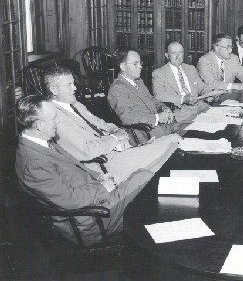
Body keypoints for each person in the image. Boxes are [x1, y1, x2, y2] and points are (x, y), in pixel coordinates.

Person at [15, 95, 159, 246]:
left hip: (94, 199)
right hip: (91, 219)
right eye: (53, 118)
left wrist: (100, 177)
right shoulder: (32, 163)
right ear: (39, 125)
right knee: (147, 181)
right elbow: (69, 200)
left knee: (143, 175)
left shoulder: (42, 141)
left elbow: (73, 166)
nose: (57, 122)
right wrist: (102, 188)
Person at [44, 65, 180, 181]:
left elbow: (101, 123)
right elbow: (86, 151)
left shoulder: (75, 104)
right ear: (54, 90)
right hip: (106, 164)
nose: (74, 88)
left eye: (73, 83)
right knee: (173, 143)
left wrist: (117, 131)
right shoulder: (55, 117)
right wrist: (114, 139)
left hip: (119, 151)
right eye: (69, 85)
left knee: (172, 144)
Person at [108, 48, 178, 143]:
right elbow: (127, 116)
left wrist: (163, 108)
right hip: (146, 134)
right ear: (123, 67)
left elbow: (152, 100)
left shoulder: (138, 81)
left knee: (193, 129)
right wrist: (157, 118)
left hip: (164, 127)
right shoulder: (117, 88)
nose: (140, 66)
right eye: (135, 64)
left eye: (140, 63)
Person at [152, 42, 214, 123]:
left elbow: (202, 87)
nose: (178, 56)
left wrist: (210, 94)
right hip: (181, 113)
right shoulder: (159, 73)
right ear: (167, 55)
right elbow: (159, 95)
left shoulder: (191, 69)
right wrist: (183, 99)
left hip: (200, 106)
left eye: (180, 52)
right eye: (174, 53)